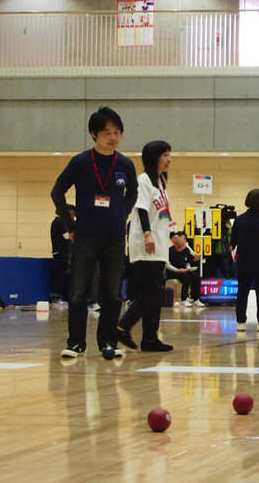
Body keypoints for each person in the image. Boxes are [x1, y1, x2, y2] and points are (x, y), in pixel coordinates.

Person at [51, 106, 138, 360]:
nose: (113, 137)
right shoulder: (80, 162)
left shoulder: (125, 164)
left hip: (114, 237)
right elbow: (57, 192)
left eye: (117, 132)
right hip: (85, 236)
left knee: (112, 294)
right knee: (78, 292)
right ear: (93, 134)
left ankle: (107, 342)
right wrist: (71, 227)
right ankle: (76, 343)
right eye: (106, 132)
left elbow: (132, 192)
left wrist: (123, 214)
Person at [116, 140, 174, 353]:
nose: (169, 159)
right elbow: (140, 209)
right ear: (153, 157)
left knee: (154, 293)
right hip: (145, 243)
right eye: (165, 155)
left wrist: (175, 235)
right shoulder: (143, 180)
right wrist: (148, 234)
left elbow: (164, 214)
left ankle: (150, 338)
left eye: (169, 155)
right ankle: (122, 326)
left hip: (159, 245)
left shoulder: (161, 183)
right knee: (150, 291)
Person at [231, 188, 259, 331]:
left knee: (242, 291)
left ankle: (240, 322)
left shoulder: (238, 220)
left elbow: (234, 240)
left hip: (243, 260)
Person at [167, 231, 203, 307]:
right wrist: (177, 270)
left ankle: (195, 299)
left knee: (196, 277)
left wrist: (189, 269)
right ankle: (183, 299)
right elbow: (167, 265)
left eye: (185, 239)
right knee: (186, 278)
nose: (183, 241)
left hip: (184, 271)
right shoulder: (171, 250)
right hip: (173, 271)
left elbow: (187, 264)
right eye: (181, 239)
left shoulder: (186, 250)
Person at [51, 205, 76, 302]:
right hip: (61, 252)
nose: (72, 217)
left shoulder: (60, 222)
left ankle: (65, 297)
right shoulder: (59, 221)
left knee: (66, 275)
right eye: (72, 215)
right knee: (62, 274)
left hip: (65, 252)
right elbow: (67, 237)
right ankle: (57, 297)